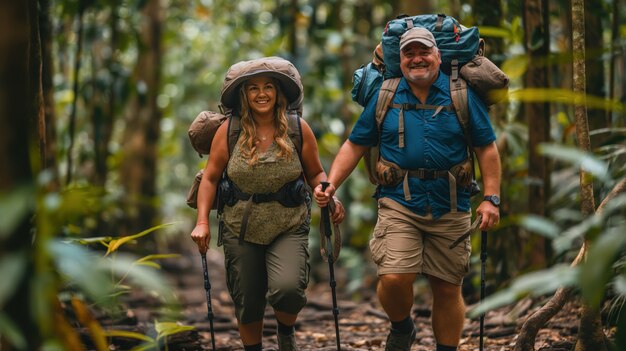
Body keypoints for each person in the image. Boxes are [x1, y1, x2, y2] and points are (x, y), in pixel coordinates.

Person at [314, 27, 501, 351]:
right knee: (394, 276)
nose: (417, 59)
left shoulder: (460, 95)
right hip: (399, 201)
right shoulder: (385, 95)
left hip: (451, 202)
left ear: (437, 56)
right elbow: (355, 145)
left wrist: (491, 199)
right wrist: (330, 185)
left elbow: (487, 148)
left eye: (423, 52)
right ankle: (402, 327)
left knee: (447, 287)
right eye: (409, 54)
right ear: (399, 61)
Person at [191, 57, 345, 351]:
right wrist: (201, 222)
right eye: (253, 88)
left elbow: (315, 172)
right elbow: (209, 178)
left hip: (288, 223)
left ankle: (285, 332)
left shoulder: (298, 128)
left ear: (278, 92)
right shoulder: (230, 130)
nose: (261, 94)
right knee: (247, 300)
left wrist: (327, 192)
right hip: (240, 225)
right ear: (244, 95)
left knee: (288, 290)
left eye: (268, 87)